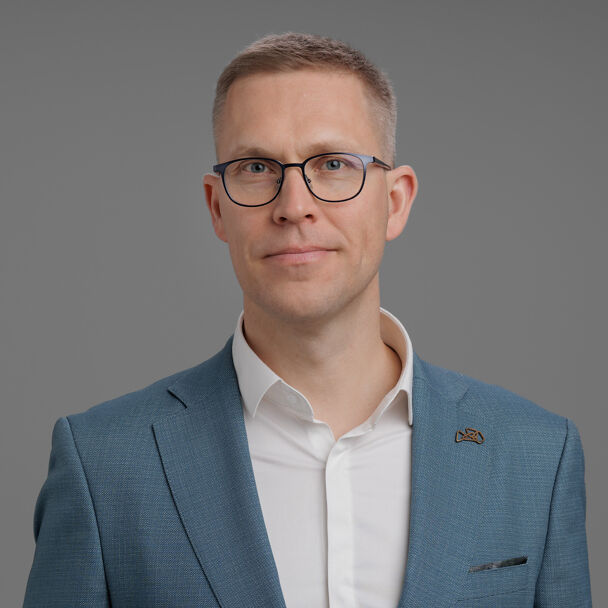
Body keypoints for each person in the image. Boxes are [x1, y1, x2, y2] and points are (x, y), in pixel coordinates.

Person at [24, 32, 591, 608]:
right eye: (255, 167)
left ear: (395, 201)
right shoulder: (104, 464)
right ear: (217, 207)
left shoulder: (537, 455)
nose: (294, 206)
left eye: (333, 164)